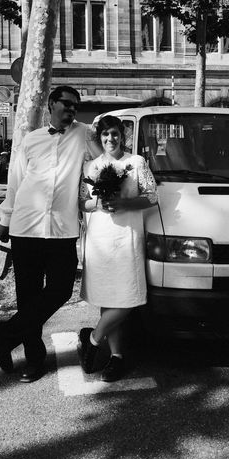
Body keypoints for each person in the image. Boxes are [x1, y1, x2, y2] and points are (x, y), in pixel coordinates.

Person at [0, 85, 97, 383]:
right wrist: (5, 219)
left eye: (76, 105)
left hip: (62, 230)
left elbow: (103, 158)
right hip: (26, 227)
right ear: (51, 104)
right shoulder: (31, 139)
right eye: (67, 103)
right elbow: (15, 182)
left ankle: (5, 334)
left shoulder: (84, 134)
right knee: (28, 296)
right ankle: (34, 360)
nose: (72, 109)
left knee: (61, 290)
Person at [78, 115, 158, 382]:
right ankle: (116, 356)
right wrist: (98, 204)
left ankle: (93, 339)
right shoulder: (92, 166)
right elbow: (82, 202)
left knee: (128, 297)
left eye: (114, 134)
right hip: (101, 239)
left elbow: (152, 197)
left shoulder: (136, 163)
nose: (110, 139)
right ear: (100, 138)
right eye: (105, 135)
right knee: (108, 298)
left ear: (122, 136)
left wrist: (125, 204)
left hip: (127, 238)